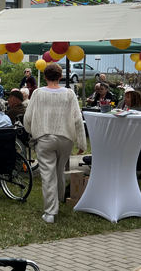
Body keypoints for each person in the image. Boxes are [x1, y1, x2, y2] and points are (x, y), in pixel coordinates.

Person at [23, 63, 86, 224]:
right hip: (66, 138)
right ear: (60, 77)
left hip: (44, 137)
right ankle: (58, 198)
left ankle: (51, 211)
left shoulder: (37, 93)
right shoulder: (69, 94)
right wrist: (81, 143)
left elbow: (28, 117)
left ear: (44, 77)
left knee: (48, 174)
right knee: (59, 169)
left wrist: (32, 132)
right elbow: (78, 119)